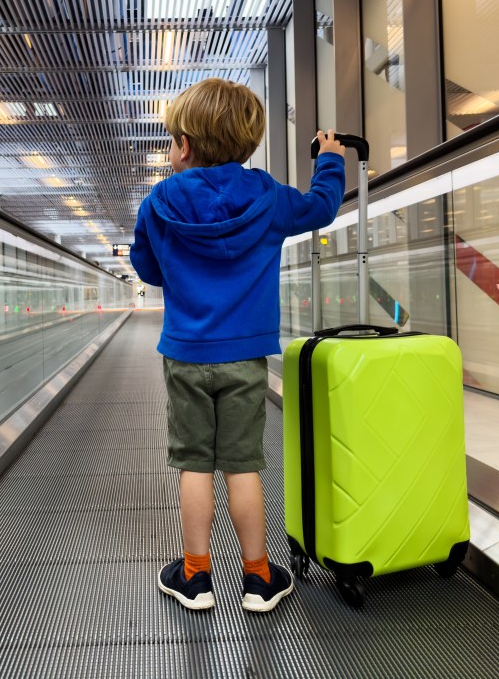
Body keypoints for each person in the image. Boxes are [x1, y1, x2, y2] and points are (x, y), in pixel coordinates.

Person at [130, 77, 346, 612]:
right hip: (245, 359)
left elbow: (147, 270)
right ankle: (258, 576)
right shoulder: (269, 199)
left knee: (195, 465)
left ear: (184, 146)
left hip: (184, 355)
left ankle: (196, 576)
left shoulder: (159, 204)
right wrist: (330, 158)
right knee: (243, 464)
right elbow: (321, 208)